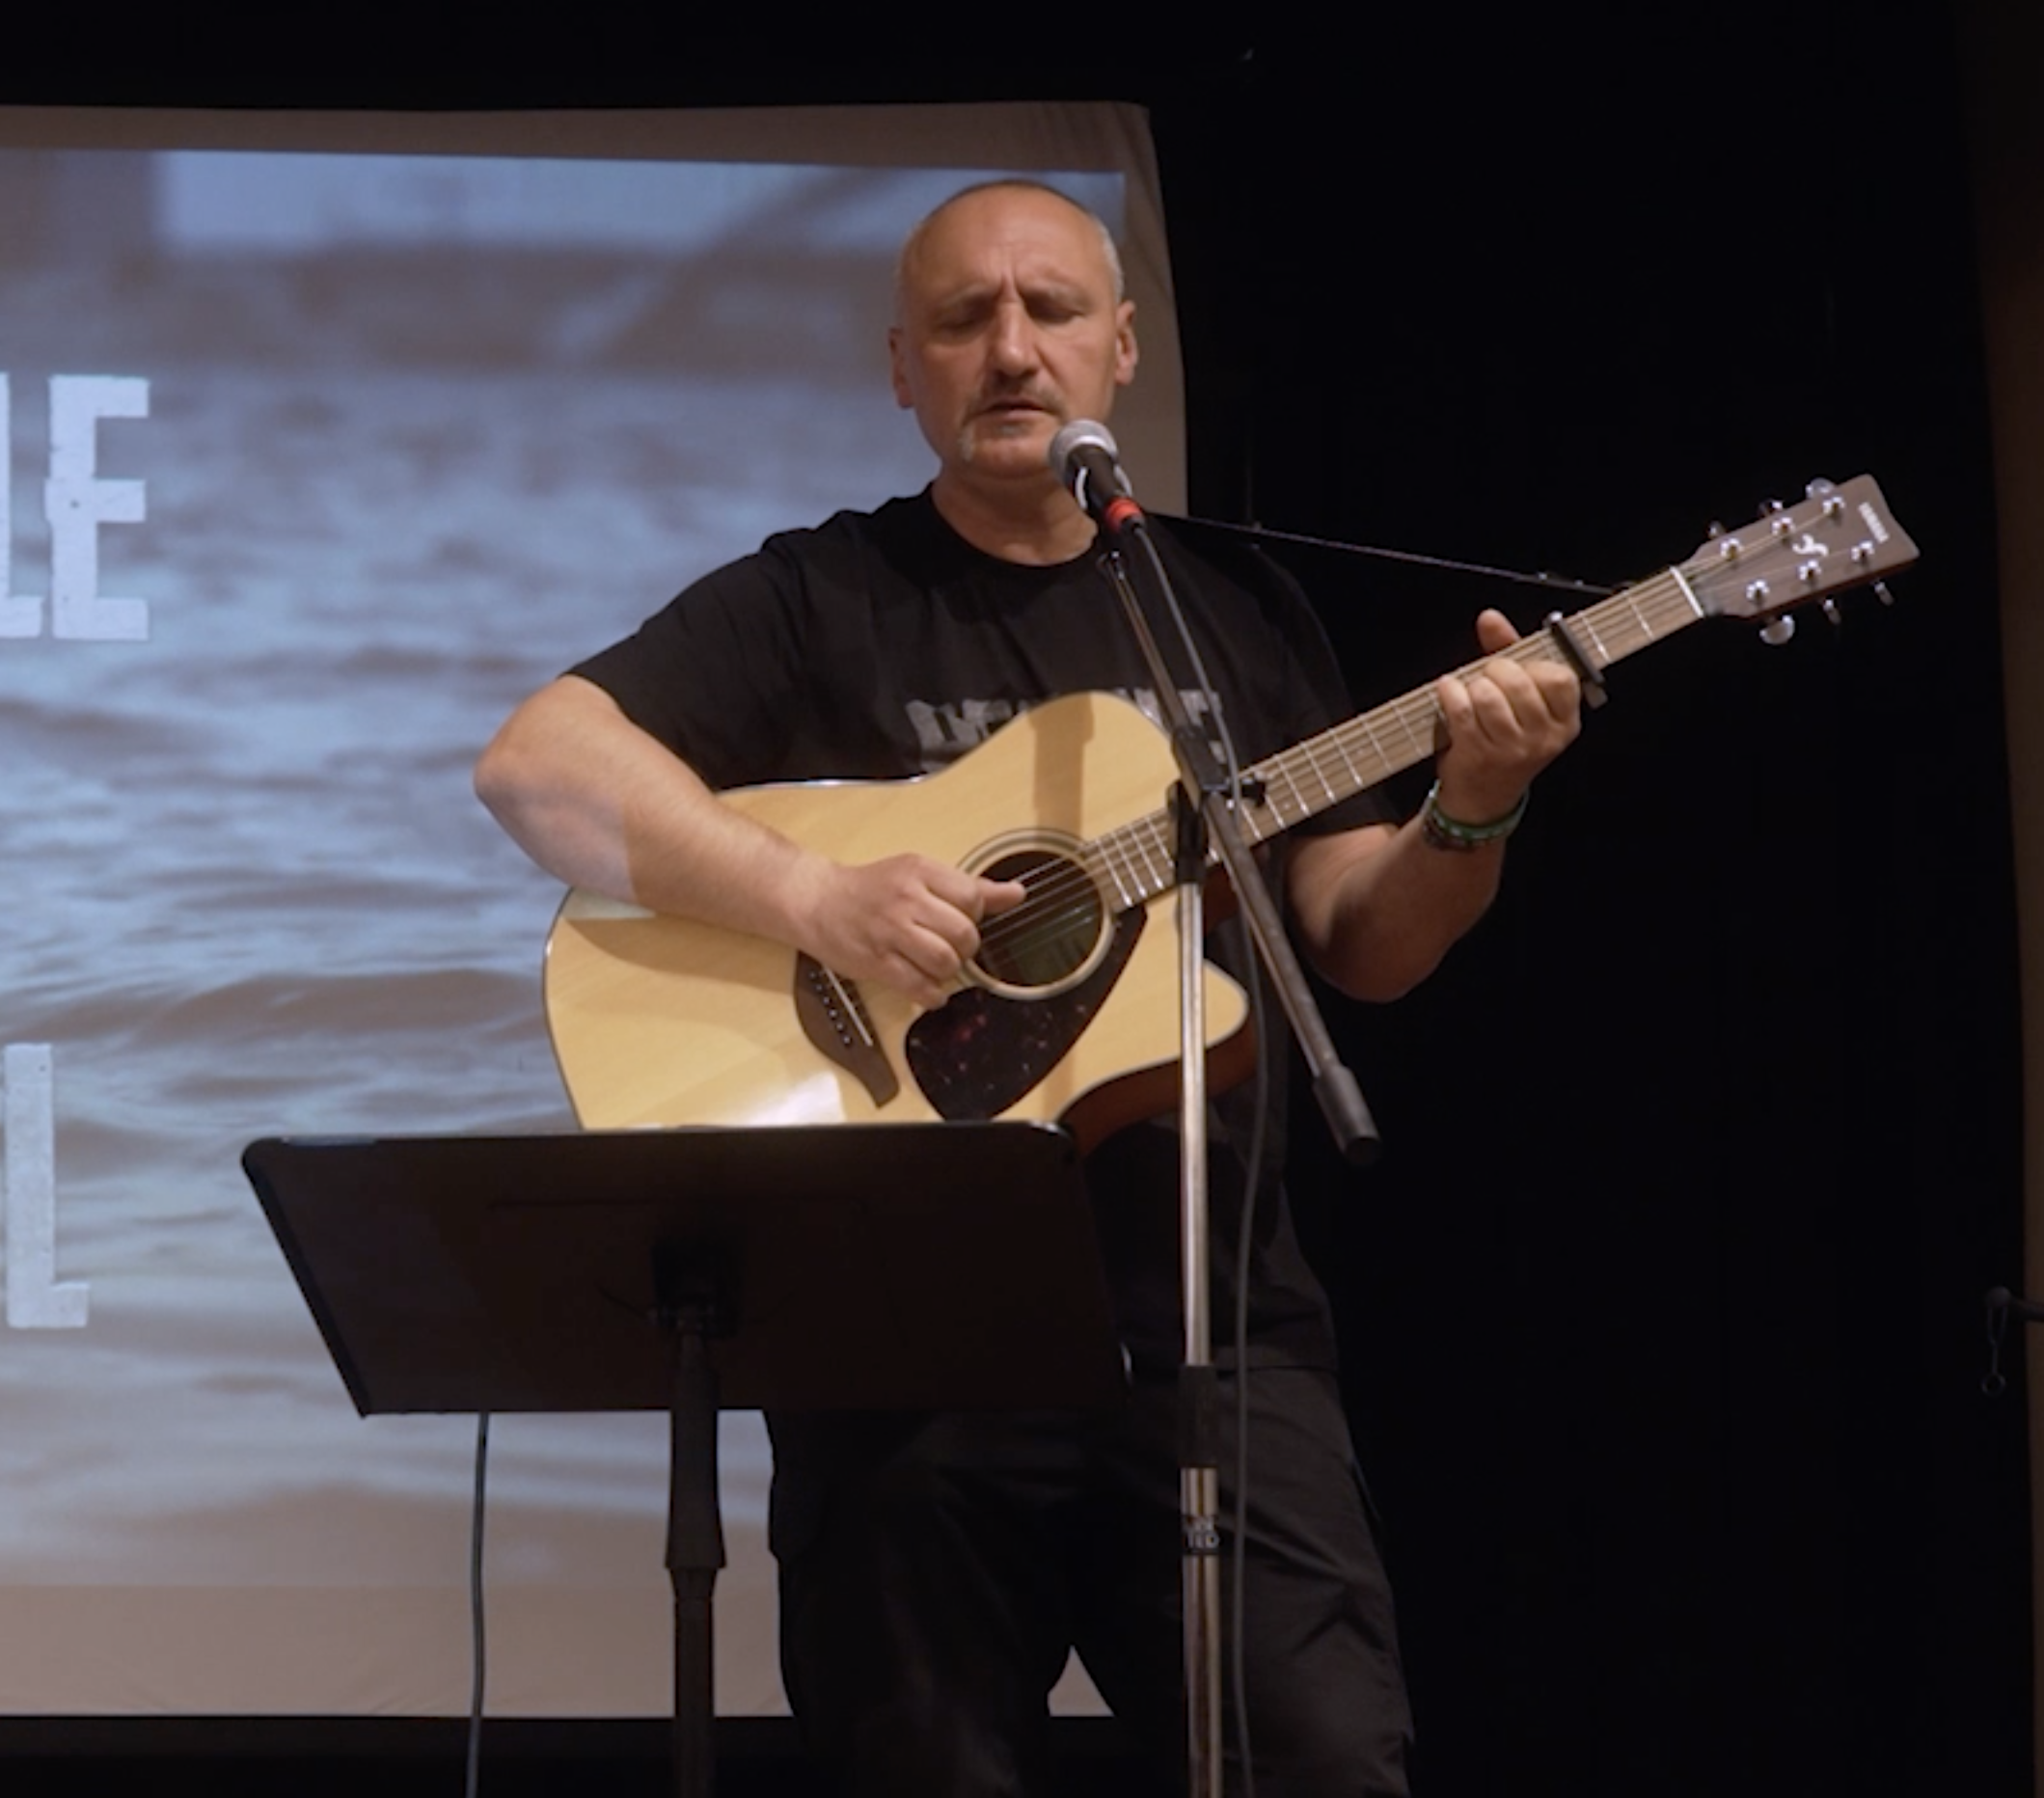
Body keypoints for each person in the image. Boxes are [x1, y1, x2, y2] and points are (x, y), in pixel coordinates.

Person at [472, 179, 1581, 1796]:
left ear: (1122, 349)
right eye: (962, 320)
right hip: (902, 1343)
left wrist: (1472, 808)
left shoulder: (1237, 611)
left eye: (1052, 310)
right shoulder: (816, 597)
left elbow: (1356, 935)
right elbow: (534, 768)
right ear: (899, 369)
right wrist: (815, 897)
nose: (1011, 348)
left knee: (1332, 1762)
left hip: (1216, 1330)